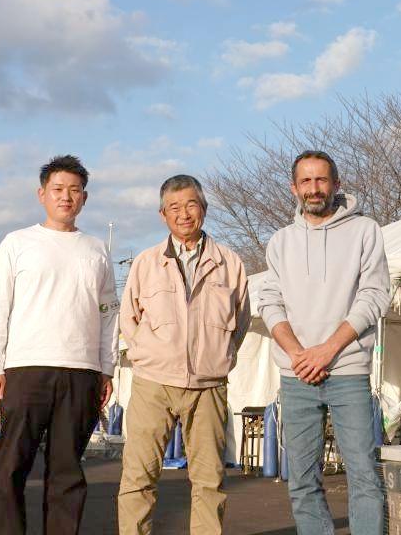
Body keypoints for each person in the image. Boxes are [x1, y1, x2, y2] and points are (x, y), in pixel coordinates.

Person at [0, 155, 120, 535]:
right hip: (25, 369)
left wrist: (106, 368)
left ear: (85, 198)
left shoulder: (96, 249)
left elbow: (110, 312)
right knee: (11, 467)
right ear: (42, 194)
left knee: (67, 472)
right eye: (58, 189)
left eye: (74, 190)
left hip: (81, 372)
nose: (66, 197)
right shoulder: (17, 242)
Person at [258, 150, 391, 535]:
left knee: (363, 474)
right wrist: (300, 354)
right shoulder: (280, 242)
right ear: (293, 188)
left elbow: (374, 295)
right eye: (306, 181)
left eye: (321, 180)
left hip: (347, 369)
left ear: (336, 184)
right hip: (296, 374)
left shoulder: (366, 230)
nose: (314, 189)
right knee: (300, 479)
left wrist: (327, 350)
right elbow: (270, 302)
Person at [118, 174, 251, 535]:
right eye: (174, 207)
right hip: (153, 383)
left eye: (191, 205)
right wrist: (147, 354)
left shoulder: (230, 263)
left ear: (204, 209)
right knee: (138, 477)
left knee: (209, 481)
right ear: (163, 215)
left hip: (209, 386)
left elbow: (241, 321)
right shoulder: (146, 262)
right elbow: (128, 319)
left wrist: (219, 357)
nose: (184, 214)